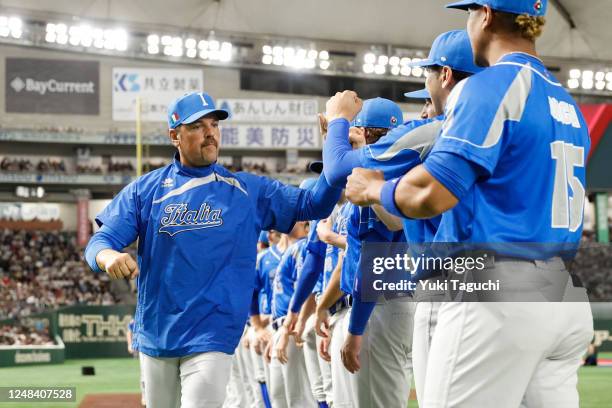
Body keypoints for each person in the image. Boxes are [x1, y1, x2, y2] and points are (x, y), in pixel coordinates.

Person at [343, 0, 594, 406]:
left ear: (487, 16)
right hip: (562, 292)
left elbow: (429, 194)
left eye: (470, 11)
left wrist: (374, 190)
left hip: (497, 289)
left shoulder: (490, 85)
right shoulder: (569, 106)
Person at [84, 91, 340, 408]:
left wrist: (335, 150)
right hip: (157, 332)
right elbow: (99, 242)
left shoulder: (248, 190)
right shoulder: (146, 190)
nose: (210, 132)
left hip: (213, 332)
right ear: (174, 136)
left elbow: (316, 203)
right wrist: (107, 257)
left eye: (214, 124)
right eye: (197, 126)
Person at [322, 30, 483, 405]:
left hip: (442, 288)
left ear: (444, 76)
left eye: (426, 94)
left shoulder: (434, 131)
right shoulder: (506, 121)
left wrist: (337, 124)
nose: (424, 109)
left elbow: (340, 174)